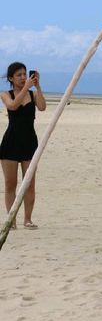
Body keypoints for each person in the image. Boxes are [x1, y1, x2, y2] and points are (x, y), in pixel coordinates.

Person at [1, 62, 46, 229]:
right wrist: (25, 87)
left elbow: (42, 107)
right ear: (11, 78)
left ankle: (28, 219)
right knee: (10, 184)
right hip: (11, 142)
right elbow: (13, 106)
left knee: (29, 184)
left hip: (29, 142)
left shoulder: (32, 95)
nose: (22, 77)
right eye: (19, 75)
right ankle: (11, 220)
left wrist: (37, 87)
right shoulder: (6, 94)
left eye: (24, 74)